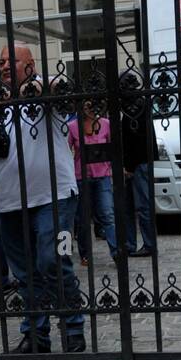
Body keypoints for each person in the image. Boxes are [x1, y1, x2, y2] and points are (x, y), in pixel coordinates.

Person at [0, 43, 86, 353]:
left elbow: (67, 90)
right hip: (8, 201)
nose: (4, 66)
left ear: (30, 63)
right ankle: (36, 334)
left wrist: (38, 84)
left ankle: (72, 327)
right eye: (1, 60)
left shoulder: (46, 90)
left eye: (12, 60)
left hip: (53, 196)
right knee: (24, 273)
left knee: (53, 260)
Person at [67, 101, 117, 265]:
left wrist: (112, 167)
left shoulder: (106, 124)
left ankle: (117, 253)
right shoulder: (72, 127)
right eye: (86, 106)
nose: (89, 109)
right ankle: (85, 254)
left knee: (107, 215)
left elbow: (113, 147)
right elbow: (67, 152)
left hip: (102, 175)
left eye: (92, 106)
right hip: (81, 176)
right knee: (82, 218)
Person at [121, 79, 157, 259]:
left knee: (142, 205)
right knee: (128, 206)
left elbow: (137, 139)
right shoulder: (129, 104)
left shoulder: (135, 106)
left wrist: (129, 165)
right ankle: (130, 244)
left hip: (137, 162)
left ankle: (148, 244)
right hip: (135, 162)